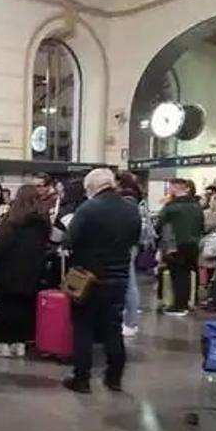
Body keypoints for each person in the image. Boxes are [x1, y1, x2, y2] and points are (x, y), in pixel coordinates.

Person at [62, 168, 142, 394]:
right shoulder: (131, 209)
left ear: (93, 187)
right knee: (112, 329)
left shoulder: (88, 209)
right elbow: (135, 240)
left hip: (88, 278)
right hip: (118, 278)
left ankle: (82, 379)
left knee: (83, 329)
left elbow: (69, 240)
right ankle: (114, 377)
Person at [0, 184, 51, 357]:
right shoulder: (43, 222)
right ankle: (20, 343)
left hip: (8, 271)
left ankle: (3, 343)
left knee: (6, 307)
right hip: (33, 272)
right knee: (25, 308)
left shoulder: (12, 221)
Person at [157, 178, 205, 315]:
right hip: (193, 244)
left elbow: (162, 226)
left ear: (174, 188)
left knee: (178, 275)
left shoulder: (171, 207)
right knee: (189, 273)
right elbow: (202, 226)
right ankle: (189, 301)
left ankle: (178, 305)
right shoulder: (197, 206)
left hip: (175, 244)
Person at [117, 172, 148, 337]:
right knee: (130, 281)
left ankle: (131, 321)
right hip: (132, 244)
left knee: (129, 283)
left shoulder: (126, 200)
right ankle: (130, 317)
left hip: (127, 245)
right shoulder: (135, 199)